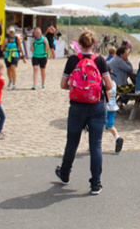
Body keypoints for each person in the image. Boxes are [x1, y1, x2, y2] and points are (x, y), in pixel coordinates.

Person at [56, 30, 113, 195]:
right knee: (95, 145)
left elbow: (63, 84)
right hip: (96, 105)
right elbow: (108, 86)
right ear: (94, 43)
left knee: (72, 142)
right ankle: (95, 183)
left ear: (79, 44)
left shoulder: (73, 60)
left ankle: (65, 173)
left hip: (77, 106)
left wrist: (76, 87)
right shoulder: (100, 60)